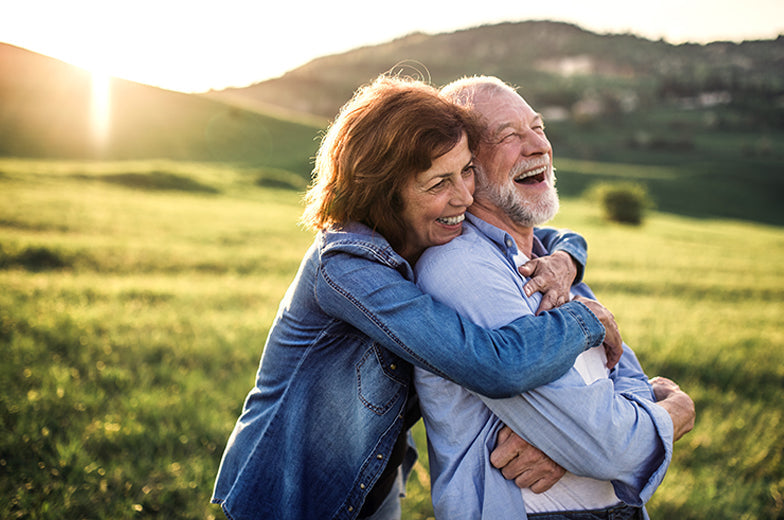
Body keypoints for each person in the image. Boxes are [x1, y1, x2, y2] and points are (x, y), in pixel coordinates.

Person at [211, 74, 625, 520]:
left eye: (466, 170)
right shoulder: (345, 268)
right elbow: (491, 364)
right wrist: (588, 321)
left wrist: (566, 260)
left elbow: (546, 234)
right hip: (292, 495)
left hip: (373, 481)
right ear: (385, 194)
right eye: (438, 184)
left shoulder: (424, 232)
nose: (464, 196)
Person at [414, 76, 696, 519]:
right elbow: (608, 445)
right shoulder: (461, 267)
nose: (537, 147)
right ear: (467, 167)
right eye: (509, 136)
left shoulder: (551, 262)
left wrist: (570, 443)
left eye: (539, 128)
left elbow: (623, 374)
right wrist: (677, 411)